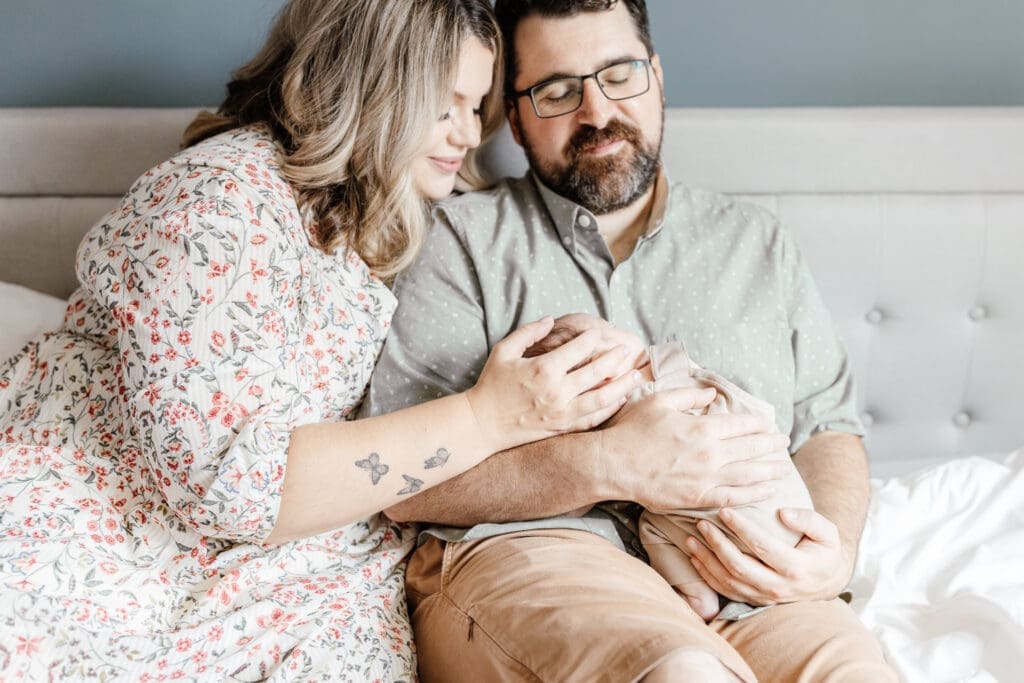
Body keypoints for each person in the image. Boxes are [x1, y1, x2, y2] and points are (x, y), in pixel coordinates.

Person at [0, 1, 643, 680]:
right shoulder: (215, 202)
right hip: (123, 523)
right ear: (367, 82)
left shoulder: (399, 216)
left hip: (305, 547)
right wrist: (489, 415)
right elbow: (226, 482)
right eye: (444, 102)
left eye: (475, 105)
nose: (465, 133)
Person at [362, 0, 899, 680]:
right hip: (543, 555)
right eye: (558, 91)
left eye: (619, 75)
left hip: (746, 569)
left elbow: (828, 426)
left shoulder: (755, 243)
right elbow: (403, 483)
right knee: (679, 673)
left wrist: (837, 549)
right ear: (517, 116)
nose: (596, 112)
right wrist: (609, 463)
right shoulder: (460, 242)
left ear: (658, 79)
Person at [525, 313, 815, 623]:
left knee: (652, 522)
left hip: (746, 536)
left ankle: (697, 597)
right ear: (602, 373)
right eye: (607, 331)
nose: (617, 328)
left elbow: (578, 503)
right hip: (791, 518)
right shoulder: (664, 374)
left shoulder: (606, 420)